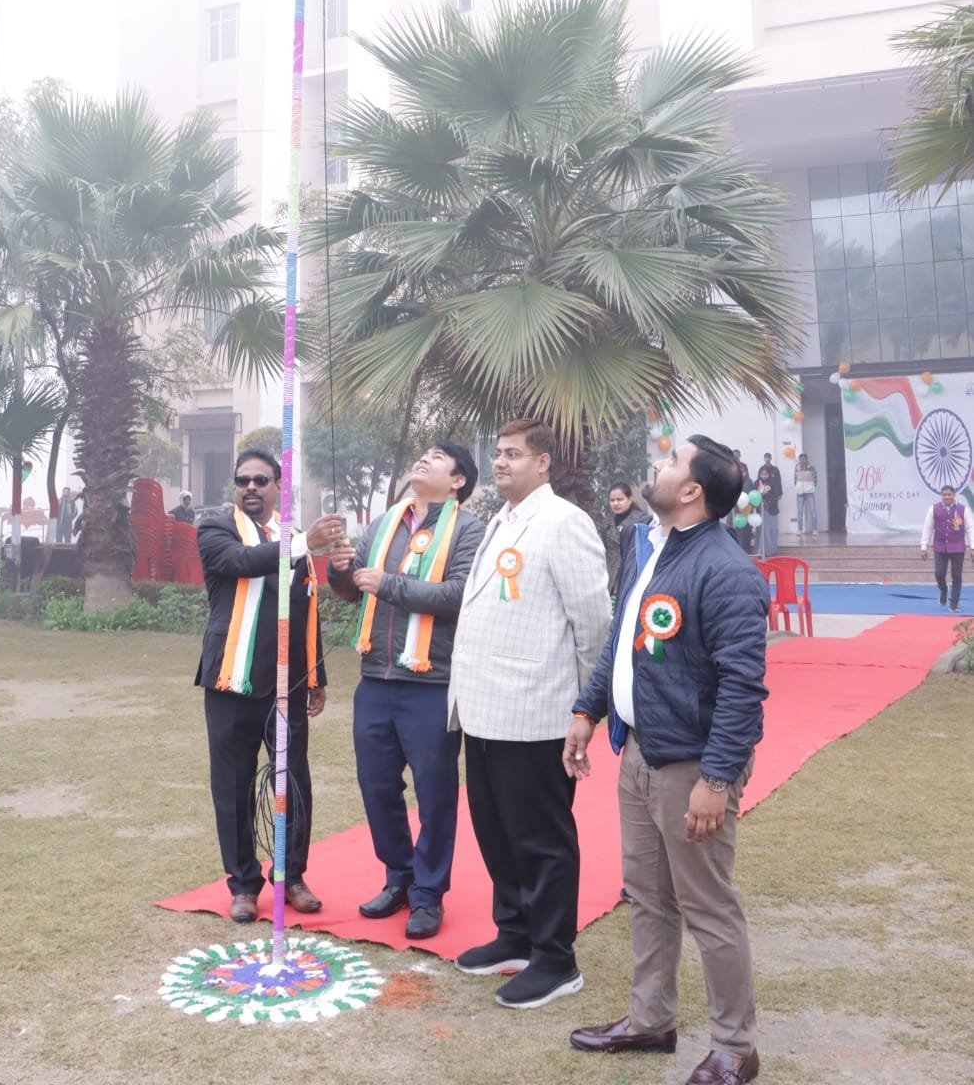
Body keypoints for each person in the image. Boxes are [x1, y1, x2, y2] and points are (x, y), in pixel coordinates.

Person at [564, 435, 769, 1085]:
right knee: (649, 898)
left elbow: (743, 686)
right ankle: (650, 1020)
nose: (658, 463)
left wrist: (717, 778)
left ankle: (735, 1047)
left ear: (692, 491)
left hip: (693, 766)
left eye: (672, 461)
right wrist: (588, 709)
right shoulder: (650, 548)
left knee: (708, 907)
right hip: (640, 752)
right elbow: (623, 641)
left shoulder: (727, 571)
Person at [448, 418, 611, 1010]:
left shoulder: (564, 521)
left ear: (543, 463)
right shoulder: (502, 518)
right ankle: (515, 933)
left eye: (513, 454)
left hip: (537, 708)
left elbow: (593, 622)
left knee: (540, 838)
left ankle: (555, 958)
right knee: (496, 831)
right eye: (497, 452)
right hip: (485, 707)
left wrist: (585, 705)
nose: (500, 462)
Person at [328, 441, 484, 940]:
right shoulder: (385, 523)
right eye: (424, 453)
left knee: (435, 794)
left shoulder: (469, 529)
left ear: (457, 481)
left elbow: (459, 595)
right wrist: (340, 571)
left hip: (431, 682)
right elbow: (354, 591)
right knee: (376, 787)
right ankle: (398, 877)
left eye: (438, 457)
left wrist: (388, 583)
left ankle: (428, 894)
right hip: (376, 677)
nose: (424, 458)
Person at [195, 448, 346, 922]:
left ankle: (292, 876)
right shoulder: (215, 528)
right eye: (243, 480)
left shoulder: (290, 537)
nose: (250, 488)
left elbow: (306, 608)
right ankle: (243, 884)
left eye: (261, 480)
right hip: (231, 679)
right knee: (232, 787)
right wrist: (302, 542)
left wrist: (315, 676)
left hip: (286, 683)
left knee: (292, 781)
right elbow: (241, 562)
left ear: (278, 486)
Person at [920, 485, 972, 611]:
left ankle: (954, 604)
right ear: (941, 495)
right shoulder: (934, 509)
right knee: (939, 573)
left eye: (949, 494)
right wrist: (924, 546)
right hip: (940, 547)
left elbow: (971, 529)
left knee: (957, 576)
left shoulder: (963, 509)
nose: (947, 497)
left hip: (958, 548)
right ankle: (944, 589)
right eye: (944, 494)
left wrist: (973, 547)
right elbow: (927, 528)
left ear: (954, 495)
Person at [602, 482, 650, 601]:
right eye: (612, 500)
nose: (616, 503)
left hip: (631, 575)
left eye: (620, 499)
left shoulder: (642, 521)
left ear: (630, 499)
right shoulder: (607, 521)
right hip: (609, 578)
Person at [753, 464, 780, 558]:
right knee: (761, 531)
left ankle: (770, 551)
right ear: (759, 474)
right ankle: (760, 551)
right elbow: (753, 495)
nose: (764, 476)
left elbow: (775, 494)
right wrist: (759, 503)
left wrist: (768, 503)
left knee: (770, 530)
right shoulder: (757, 483)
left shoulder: (773, 482)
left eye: (766, 474)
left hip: (770, 510)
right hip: (760, 510)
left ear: (769, 474)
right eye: (762, 474)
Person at [794, 454, 818, 536]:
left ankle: (815, 529)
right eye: (801, 459)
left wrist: (812, 487)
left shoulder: (811, 468)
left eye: (804, 459)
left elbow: (815, 479)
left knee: (813, 511)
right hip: (800, 493)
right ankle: (800, 529)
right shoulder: (797, 468)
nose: (802, 461)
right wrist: (797, 487)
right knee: (800, 512)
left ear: (807, 459)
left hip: (809, 492)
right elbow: (795, 479)